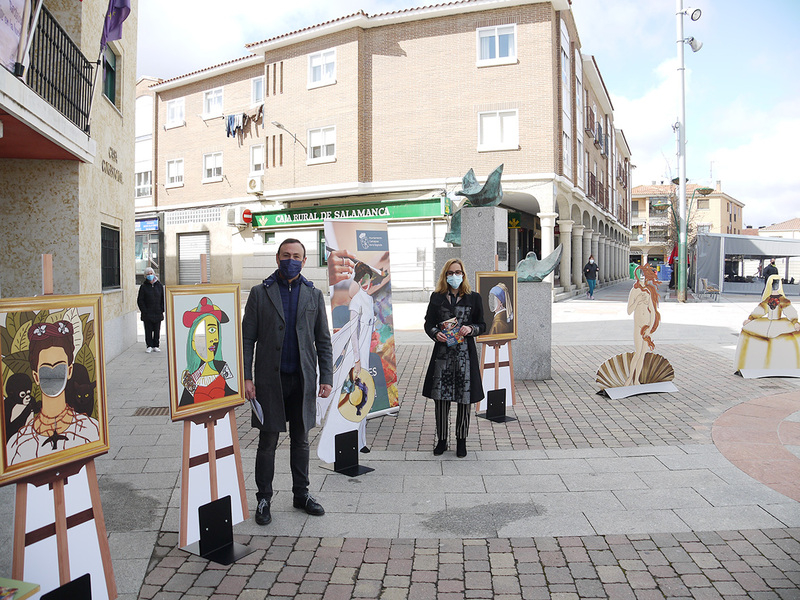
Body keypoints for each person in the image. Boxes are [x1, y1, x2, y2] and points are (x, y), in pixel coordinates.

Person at [242, 238, 333, 526]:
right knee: (267, 440)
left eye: (296, 256)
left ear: (304, 261)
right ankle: (264, 498)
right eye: (285, 255)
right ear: (277, 257)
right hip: (270, 380)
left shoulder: (313, 294)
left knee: (301, 439)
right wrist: (246, 376)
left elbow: (323, 340)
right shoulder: (260, 293)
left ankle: (301, 494)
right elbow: (246, 340)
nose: (290, 259)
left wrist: (326, 377)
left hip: (303, 379)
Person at [6, 320, 100, 465]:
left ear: (69, 371)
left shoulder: (91, 429)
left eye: (59, 367)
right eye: (46, 368)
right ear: (36, 376)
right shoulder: (17, 444)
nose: (53, 374)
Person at [422, 259, 486, 458]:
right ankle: (442, 440)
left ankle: (461, 440)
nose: (454, 276)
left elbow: (483, 325)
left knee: (464, 400)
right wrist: (435, 333)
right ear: (445, 275)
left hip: (465, 356)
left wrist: (471, 329)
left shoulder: (474, 298)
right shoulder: (436, 297)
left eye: (458, 272)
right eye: (450, 272)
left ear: (463, 275)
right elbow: (428, 323)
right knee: (441, 400)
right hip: (442, 357)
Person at [735, 274, 800, 371]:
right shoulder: (768, 300)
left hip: (778, 323)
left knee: (781, 340)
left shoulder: (782, 300)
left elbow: (790, 311)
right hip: (770, 323)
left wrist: (795, 321)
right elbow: (760, 310)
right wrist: (751, 318)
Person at [179, 297, 237, 406]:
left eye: (214, 330)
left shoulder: (221, 367)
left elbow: (232, 395)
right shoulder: (189, 377)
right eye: (206, 331)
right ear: (193, 342)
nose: (214, 339)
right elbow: (184, 407)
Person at [625, 264, 661, 386]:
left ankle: (636, 380)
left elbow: (652, 311)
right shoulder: (634, 291)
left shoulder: (648, 292)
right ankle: (630, 378)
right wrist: (638, 301)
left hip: (647, 327)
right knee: (638, 352)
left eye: (645, 279)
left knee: (643, 354)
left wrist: (650, 328)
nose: (643, 281)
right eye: (641, 278)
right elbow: (629, 311)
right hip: (638, 326)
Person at [137, 267, 165, 353]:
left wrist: (161, 309)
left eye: (151, 273)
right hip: (147, 313)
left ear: (154, 274)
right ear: (145, 276)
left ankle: (156, 345)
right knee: (148, 330)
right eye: (148, 274)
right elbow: (140, 300)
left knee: (157, 330)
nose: (150, 275)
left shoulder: (159, 285)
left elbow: (162, 298)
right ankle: (149, 345)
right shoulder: (143, 287)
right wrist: (144, 311)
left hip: (157, 312)